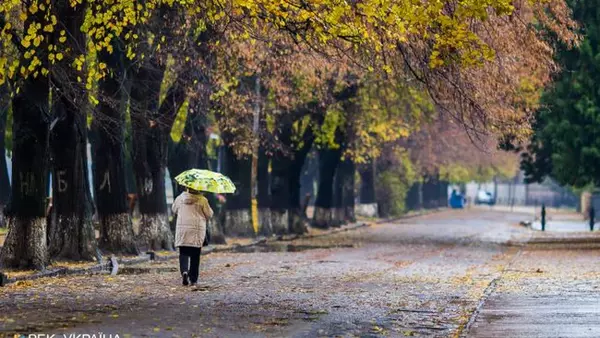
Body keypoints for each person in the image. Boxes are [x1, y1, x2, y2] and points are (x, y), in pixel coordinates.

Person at [172, 188, 214, 287]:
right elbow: (209, 214)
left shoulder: (180, 198)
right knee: (195, 256)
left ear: (188, 187)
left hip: (183, 230)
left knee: (183, 253)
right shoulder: (202, 200)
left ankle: (184, 272)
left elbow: (174, 210)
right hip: (197, 230)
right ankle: (193, 279)